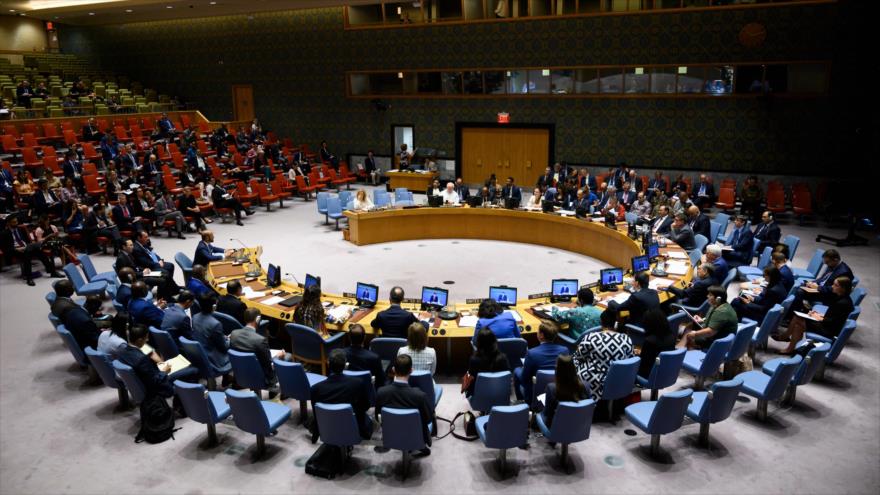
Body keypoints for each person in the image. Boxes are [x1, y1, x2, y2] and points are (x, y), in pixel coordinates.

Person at [777, 277, 854, 355]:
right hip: (827, 325)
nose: (832, 286)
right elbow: (833, 316)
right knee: (798, 324)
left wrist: (817, 317)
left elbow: (833, 321)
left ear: (843, 288)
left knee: (798, 319)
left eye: (835, 285)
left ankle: (786, 340)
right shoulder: (841, 297)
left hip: (828, 330)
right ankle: (789, 347)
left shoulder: (843, 303)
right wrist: (818, 315)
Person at [309, 348, 373, 441]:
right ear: (345, 365)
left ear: (328, 364)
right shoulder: (358, 383)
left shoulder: (315, 389)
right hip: (352, 427)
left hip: (327, 427)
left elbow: (316, 415)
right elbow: (366, 406)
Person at [376, 354, 434, 453]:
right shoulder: (420, 396)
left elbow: (378, 417)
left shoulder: (381, 392)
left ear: (393, 369)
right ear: (411, 370)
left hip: (391, 435)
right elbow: (428, 419)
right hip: (416, 437)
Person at [573, 309, 634, 400]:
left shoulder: (591, 337)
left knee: (573, 361)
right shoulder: (626, 338)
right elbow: (630, 360)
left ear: (601, 322)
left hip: (593, 381)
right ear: (615, 323)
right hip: (617, 379)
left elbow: (578, 357)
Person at [786, 248, 854, 320]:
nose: (826, 264)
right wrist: (813, 283)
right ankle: (800, 311)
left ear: (836, 260)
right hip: (822, 289)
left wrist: (818, 288)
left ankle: (790, 317)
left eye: (827, 262)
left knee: (800, 292)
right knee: (802, 286)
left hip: (829, 295)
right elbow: (823, 278)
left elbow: (837, 289)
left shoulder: (844, 272)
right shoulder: (832, 265)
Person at [230, 308, 283, 396]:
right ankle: (276, 391)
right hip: (260, 377)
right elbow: (268, 363)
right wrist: (279, 355)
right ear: (258, 319)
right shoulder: (260, 340)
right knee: (286, 356)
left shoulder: (233, 334)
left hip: (241, 374)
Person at [1, 216, 64, 286]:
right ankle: (30, 277)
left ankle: (51, 272)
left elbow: (27, 241)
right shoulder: (4, 233)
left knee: (38, 251)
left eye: (16, 221)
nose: (16, 223)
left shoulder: (20, 229)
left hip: (26, 247)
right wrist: (17, 249)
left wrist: (27, 246)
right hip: (15, 250)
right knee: (29, 253)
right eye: (14, 222)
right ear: (8, 223)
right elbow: (5, 248)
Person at [515, 322, 569, 401]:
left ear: (541, 335)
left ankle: (521, 400)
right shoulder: (565, 350)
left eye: (538, 331)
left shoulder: (532, 353)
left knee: (517, 370)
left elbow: (524, 378)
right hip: (558, 390)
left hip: (536, 394)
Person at [677, 286, 738, 350]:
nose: (707, 296)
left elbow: (710, 332)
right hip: (715, 334)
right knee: (690, 326)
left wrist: (695, 334)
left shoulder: (722, 311)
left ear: (718, 298)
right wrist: (702, 320)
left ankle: (686, 350)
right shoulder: (719, 305)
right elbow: (714, 320)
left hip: (717, 342)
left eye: (710, 295)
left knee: (689, 335)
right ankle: (682, 347)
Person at [541, 354, 591, 428]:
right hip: (578, 426)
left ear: (558, 369)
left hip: (556, 427)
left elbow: (547, 413)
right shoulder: (586, 386)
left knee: (539, 413)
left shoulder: (551, 388)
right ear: (573, 368)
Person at [51, 280, 100, 352]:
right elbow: (84, 324)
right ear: (66, 291)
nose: (73, 288)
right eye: (71, 287)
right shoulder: (67, 308)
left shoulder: (58, 302)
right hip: (84, 330)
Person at [192, 292, 230, 371]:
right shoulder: (215, 324)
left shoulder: (194, 317)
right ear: (214, 306)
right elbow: (224, 347)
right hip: (214, 360)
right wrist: (231, 339)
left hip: (199, 355)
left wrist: (222, 337)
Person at [635, 308, 676, 379]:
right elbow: (656, 355)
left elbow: (644, 364)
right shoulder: (671, 336)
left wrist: (636, 355)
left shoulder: (650, 341)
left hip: (650, 374)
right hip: (667, 371)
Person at [344, 324, 385, 388]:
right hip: (368, 391)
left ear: (349, 337)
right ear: (365, 337)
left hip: (347, 388)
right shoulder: (374, 358)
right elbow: (380, 381)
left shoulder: (342, 354)